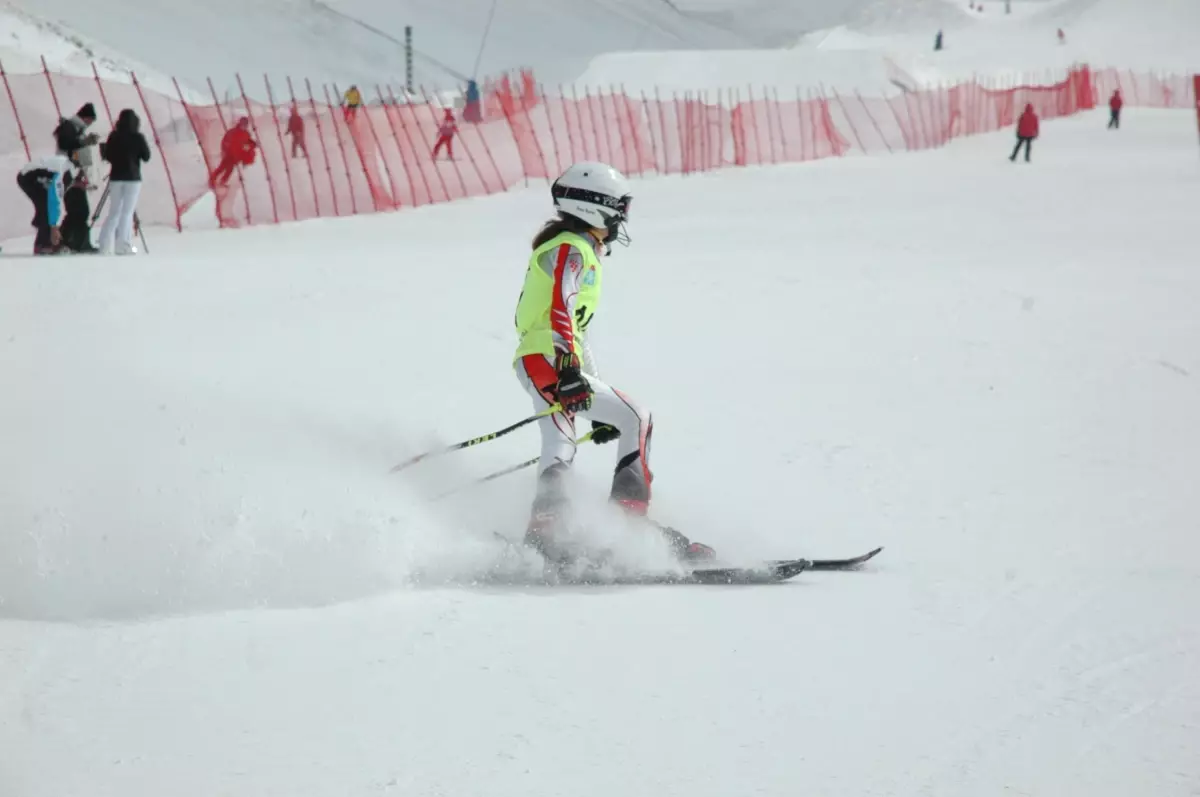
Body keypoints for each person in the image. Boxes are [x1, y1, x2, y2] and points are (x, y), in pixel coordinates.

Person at [512, 161, 715, 565]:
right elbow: (561, 306)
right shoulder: (571, 247)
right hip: (547, 357)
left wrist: (588, 382)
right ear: (594, 206)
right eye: (619, 207)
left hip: (551, 357)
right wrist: (569, 371)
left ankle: (595, 525)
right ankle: (563, 529)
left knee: (619, 421)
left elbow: (576, 329)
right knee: (592, 430)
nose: (623, 217)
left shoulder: (580, 248)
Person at [98, 108, 151, 255]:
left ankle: (104, 245)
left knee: (114, 212)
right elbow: (146, 156)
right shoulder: (138, 137)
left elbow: (107, 156)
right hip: (133, 179)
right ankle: (123, 245)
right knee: (127, 212)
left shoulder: (113, 136)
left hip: (116, 177)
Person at [54, 103, 101, 252]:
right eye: (90, 121)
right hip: (68, 173)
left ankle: (66, 240)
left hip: (74, 173)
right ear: (85, 117)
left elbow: (78, 151)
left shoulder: (76, 129)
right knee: (79, 210)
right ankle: (75, 242)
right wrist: (83, 142)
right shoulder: (69, 127)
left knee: (77, 210)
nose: (89, 124)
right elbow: (66, 144)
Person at [17, 154, 74, 255]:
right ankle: (42, 244)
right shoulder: (62, 172)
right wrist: (53, 226)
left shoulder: (67, 168)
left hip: (36, 177)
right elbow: (54, 200)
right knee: (45, 208)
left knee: (45, 207)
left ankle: (46, 237)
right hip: (27, 178)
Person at [210, 117, 257, 187]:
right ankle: (212, 180)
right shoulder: (232, 132)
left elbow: (248, 142)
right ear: (240, 124)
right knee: (222, 168)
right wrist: (224, 150)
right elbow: (224, 141)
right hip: (228, 154)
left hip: (236, 156)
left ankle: (222, 181)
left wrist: (254, 144)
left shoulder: (246, 134)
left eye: (245, 125)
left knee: (229, 169)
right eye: (243, 125)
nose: (244, 126)